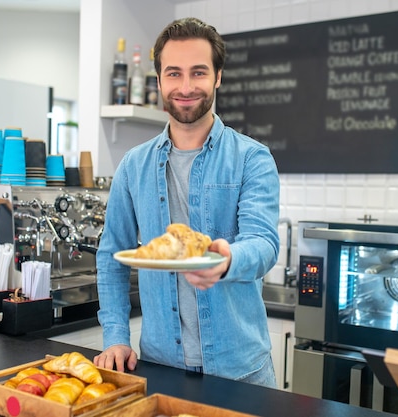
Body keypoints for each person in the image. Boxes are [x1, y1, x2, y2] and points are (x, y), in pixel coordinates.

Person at [93, 17, 281, 388]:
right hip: (161, 369)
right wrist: (116, 335)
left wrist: (228, 260)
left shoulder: (252, 158)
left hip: (241, 373)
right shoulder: (133, 165)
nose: (186, 86)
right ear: (159, 80)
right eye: (174, 73)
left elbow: (264, 244)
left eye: (198, 72)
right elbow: (111, 253)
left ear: (218, 77)